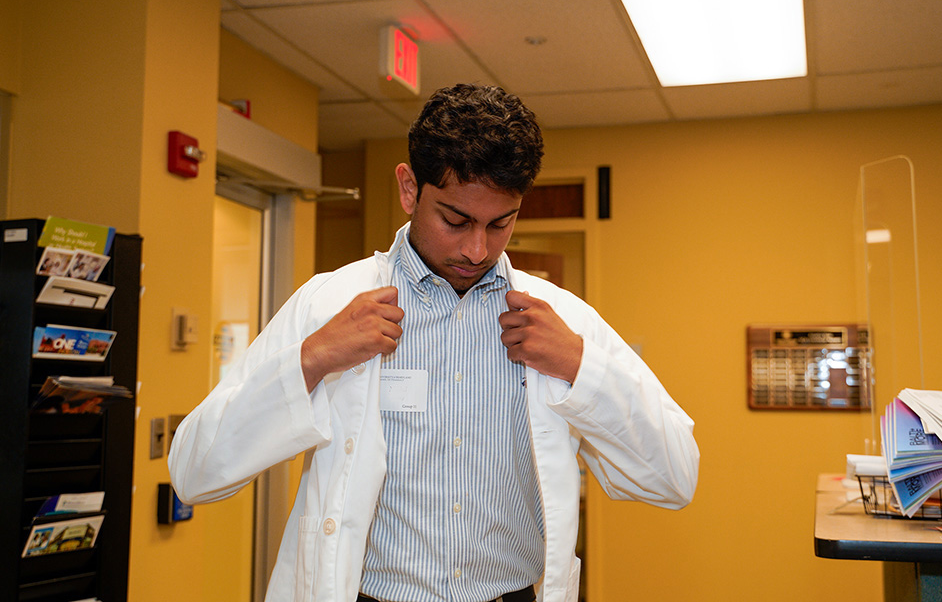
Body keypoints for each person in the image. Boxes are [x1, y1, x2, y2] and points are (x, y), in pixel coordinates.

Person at [168, 84, 699, 602]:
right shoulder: (329, 304)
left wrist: (581, 366)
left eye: (500, 224)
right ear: (408, 188)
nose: (476, 248)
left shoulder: (559, 321)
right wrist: (311, 361)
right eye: (455, 219)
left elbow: (676, 475)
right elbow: (194, 471)